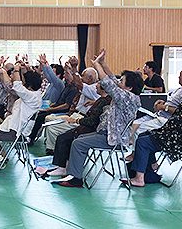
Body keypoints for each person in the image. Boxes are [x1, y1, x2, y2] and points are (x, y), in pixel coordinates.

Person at [55, 49, 144, 187]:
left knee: (78, 144)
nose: (118, 81)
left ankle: (76, 178)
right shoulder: (126, 94)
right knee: (79, 139)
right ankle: (74, 173)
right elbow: (112, 79)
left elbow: (108, 83)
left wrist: (97, 65)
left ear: (130, 87)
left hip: (112, 138)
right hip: (105, 133)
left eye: (122, 80)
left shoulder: (127, 98)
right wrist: (103, 63)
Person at [127, 44, 182, 187]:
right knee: (144, 134)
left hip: (179, 139)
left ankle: (139, 178)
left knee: (143, 142)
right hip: (171, 132)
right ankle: (150, 172)